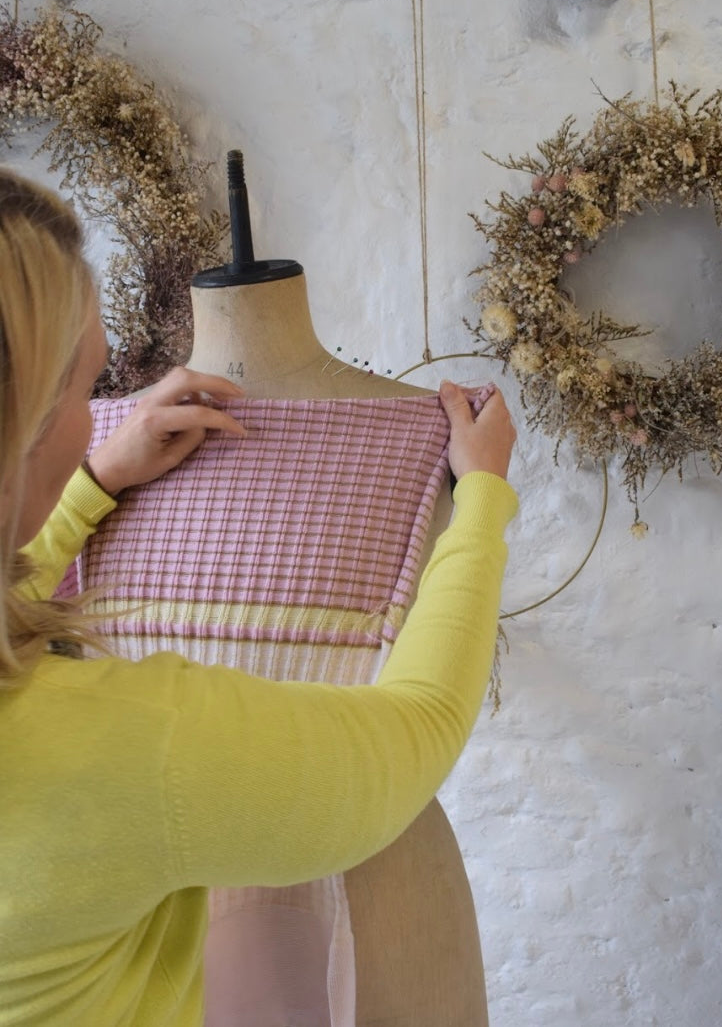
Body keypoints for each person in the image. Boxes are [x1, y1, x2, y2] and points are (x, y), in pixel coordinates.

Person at [0, 168, 517, 1026]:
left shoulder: (90, 500)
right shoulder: (110, 739)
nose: (101, 418)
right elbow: (419, 725)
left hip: (370, 917)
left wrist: (90, 485)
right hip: (349, 831)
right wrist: (485, 498)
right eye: (87, 392)